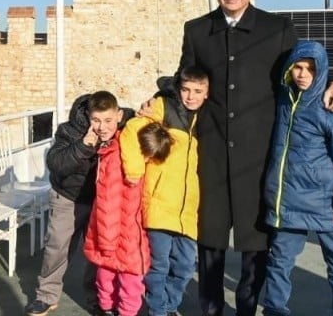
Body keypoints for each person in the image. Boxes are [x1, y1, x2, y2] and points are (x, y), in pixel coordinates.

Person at [175, 0, 333, 316]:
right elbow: (186, 80)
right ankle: (211, 310)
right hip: (211, 153)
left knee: (256, 243)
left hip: (260, 156)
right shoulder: (196, 30)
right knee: (210, 241)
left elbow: (307, 69)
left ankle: (246, 309)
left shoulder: (277, 29)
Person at [261, 41, 333, 316]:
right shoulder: (284, 99)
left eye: (310, 68)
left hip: (329, 206)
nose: (303, 74)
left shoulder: (332, 108)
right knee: (278, 263)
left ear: (321, 72)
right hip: (289, 204)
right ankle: (274, 311)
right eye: (298, 66)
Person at [26, 91, 132, 316]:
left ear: (118, 116)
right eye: (96, 120)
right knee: (58, 247)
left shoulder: (126, 124)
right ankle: (46, 295)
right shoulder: (70, 130)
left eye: (108, 121)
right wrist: (84, 146)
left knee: (98, 251)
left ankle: (96, 298)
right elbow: (56, 164)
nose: (102, 127)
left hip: (102, 200)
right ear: (88, 115)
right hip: (69, 197)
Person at [123, 67, 209, 316]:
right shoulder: (162, 107)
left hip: (188, 210)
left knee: (184, 265)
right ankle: (158, 311)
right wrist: (135, 169)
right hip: (160, 203)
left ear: (206, 93)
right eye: (185, 90)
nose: (190, 97)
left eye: (197, 91)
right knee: (158, 265)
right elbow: (131, 131)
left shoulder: (208, 117)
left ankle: (169, 306)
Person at [84, 117, 170, 316]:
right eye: (149, 157)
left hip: (115, 232)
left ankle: (107, 307)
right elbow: (109, 203)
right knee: (130, 280)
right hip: (123, 233)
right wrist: (108, 242)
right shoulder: (124, 165)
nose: (149, 161)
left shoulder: (121, 155)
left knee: (107, 274)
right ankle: (124, 312)